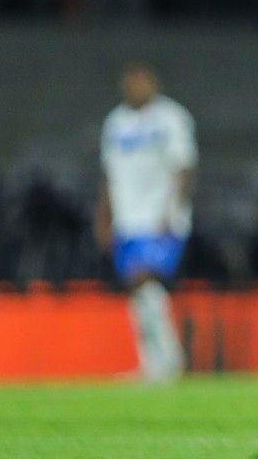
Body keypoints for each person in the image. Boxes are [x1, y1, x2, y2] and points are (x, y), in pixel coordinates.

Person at [95, 61, 196, 382]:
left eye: (142, 82)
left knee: (144, 278)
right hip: (128, 218)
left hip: (160, 216)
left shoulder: (172, 117)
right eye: (130, 83)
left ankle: (166, 360)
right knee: (138, 288)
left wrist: (174, 209)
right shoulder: (116, 122)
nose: (136, 88)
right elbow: (109, 174)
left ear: (154, 84)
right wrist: (104, 217)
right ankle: (156, 362)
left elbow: (184, 166)